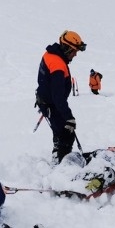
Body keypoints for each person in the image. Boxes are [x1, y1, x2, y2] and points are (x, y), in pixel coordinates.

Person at [36, 30, 86, 162]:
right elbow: (58, 96)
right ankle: (60, 164)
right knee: (65, 135)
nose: (75, 55)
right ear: (66, 48)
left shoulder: (51, 55)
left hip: (49, 102)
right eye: (74, 51)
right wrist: (69, 117)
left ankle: (58, 157)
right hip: (51, 104)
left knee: (61, 133)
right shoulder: (57, 64)